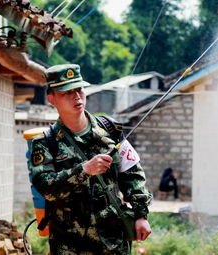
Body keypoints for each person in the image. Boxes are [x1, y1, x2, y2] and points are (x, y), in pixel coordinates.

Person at [29, 64, 152, 255]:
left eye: (79, 89)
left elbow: (132, 173)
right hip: (69, 242)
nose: (76, 96)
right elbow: (46, 188)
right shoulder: (46, 142)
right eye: (66, 92)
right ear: (51, 98)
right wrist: (84, 170)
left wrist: (140, 215)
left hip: (112, 240)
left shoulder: (110, 130)